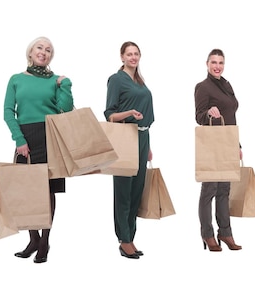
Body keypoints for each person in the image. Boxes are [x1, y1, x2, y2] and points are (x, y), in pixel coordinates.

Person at [3, 36, 73, 264]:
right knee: (27, 189)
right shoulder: (16, 79)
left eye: (49, 50)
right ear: (30, 52)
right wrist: (19, 139)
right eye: (40, 48)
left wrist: (66, 85)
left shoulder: (56, 80)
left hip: (50, 136)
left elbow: (65, 109)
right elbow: (7, 112)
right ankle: (32, 239)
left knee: (48, 191)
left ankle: (45, 241)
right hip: (26, 137)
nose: (44, 52)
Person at [104, 41, 154, 259]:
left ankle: (131, 238)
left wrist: (148, 146)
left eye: (136, 54)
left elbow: (146, 116)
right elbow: (109, 115)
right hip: (126, 136)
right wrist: (129, 113)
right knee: (124, 189)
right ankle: (123, 239)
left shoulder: (140, 81)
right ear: (122, 57)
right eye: (129, 54)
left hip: (143, 136)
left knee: (137, 189)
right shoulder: (116, 80)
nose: (133, 57)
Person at [194, 48, 242, 252]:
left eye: (220, 62)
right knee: (210, 190)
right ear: (207, 64)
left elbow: (232, 116)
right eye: (213, 62)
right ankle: (207, 234)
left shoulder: (227, 85)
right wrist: (209, 114)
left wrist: (237, 144)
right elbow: (198, 116)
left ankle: (226, 232)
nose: (217, 66)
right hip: (213, 146)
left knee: (225, 190)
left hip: (228, 143)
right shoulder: (203, 87)